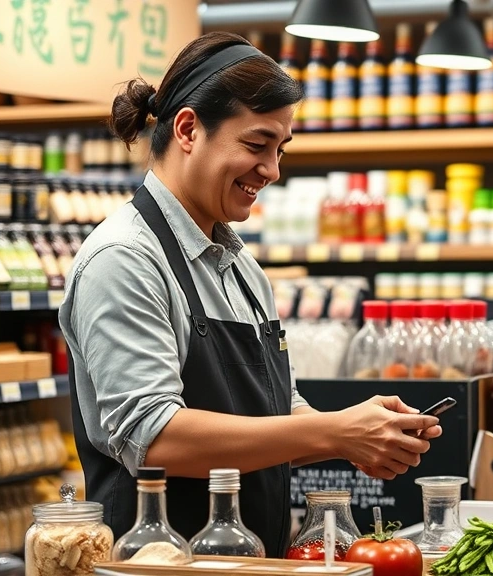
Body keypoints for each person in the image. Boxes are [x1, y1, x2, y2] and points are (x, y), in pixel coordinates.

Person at [60, 32, 442, 558]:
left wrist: (363, 431)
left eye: (280, 149)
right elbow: (154, 438)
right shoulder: (124, 258)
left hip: (252, 560)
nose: (272, 170)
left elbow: (276, 410)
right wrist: (334, 433)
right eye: (257, 144)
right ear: (189, 129)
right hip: (161, 565)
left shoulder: (243, 270)